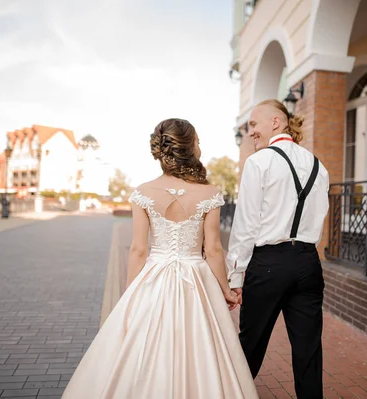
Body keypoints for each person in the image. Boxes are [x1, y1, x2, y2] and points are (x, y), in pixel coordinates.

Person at [62, 118, 258, 399]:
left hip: (154, 275)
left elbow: (138, 249)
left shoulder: (142, 193)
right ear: (188, 146)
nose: (200, 146)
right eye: (198, 141)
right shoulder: (210, 192)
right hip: (196, 277)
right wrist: (226, 289)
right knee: (203, 345)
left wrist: (130, 296)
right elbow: (214, 249)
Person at [226, 99, 330, 398]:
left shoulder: (258, 163)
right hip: (308, 262)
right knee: (309, 352)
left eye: (254, 124)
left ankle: (234, 393)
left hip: (269, 263)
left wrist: (235, 278)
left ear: (276, 122)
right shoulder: (318, 165)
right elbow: (318, 216)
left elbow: (246, 225)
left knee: (250, 344)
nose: (251, 133)